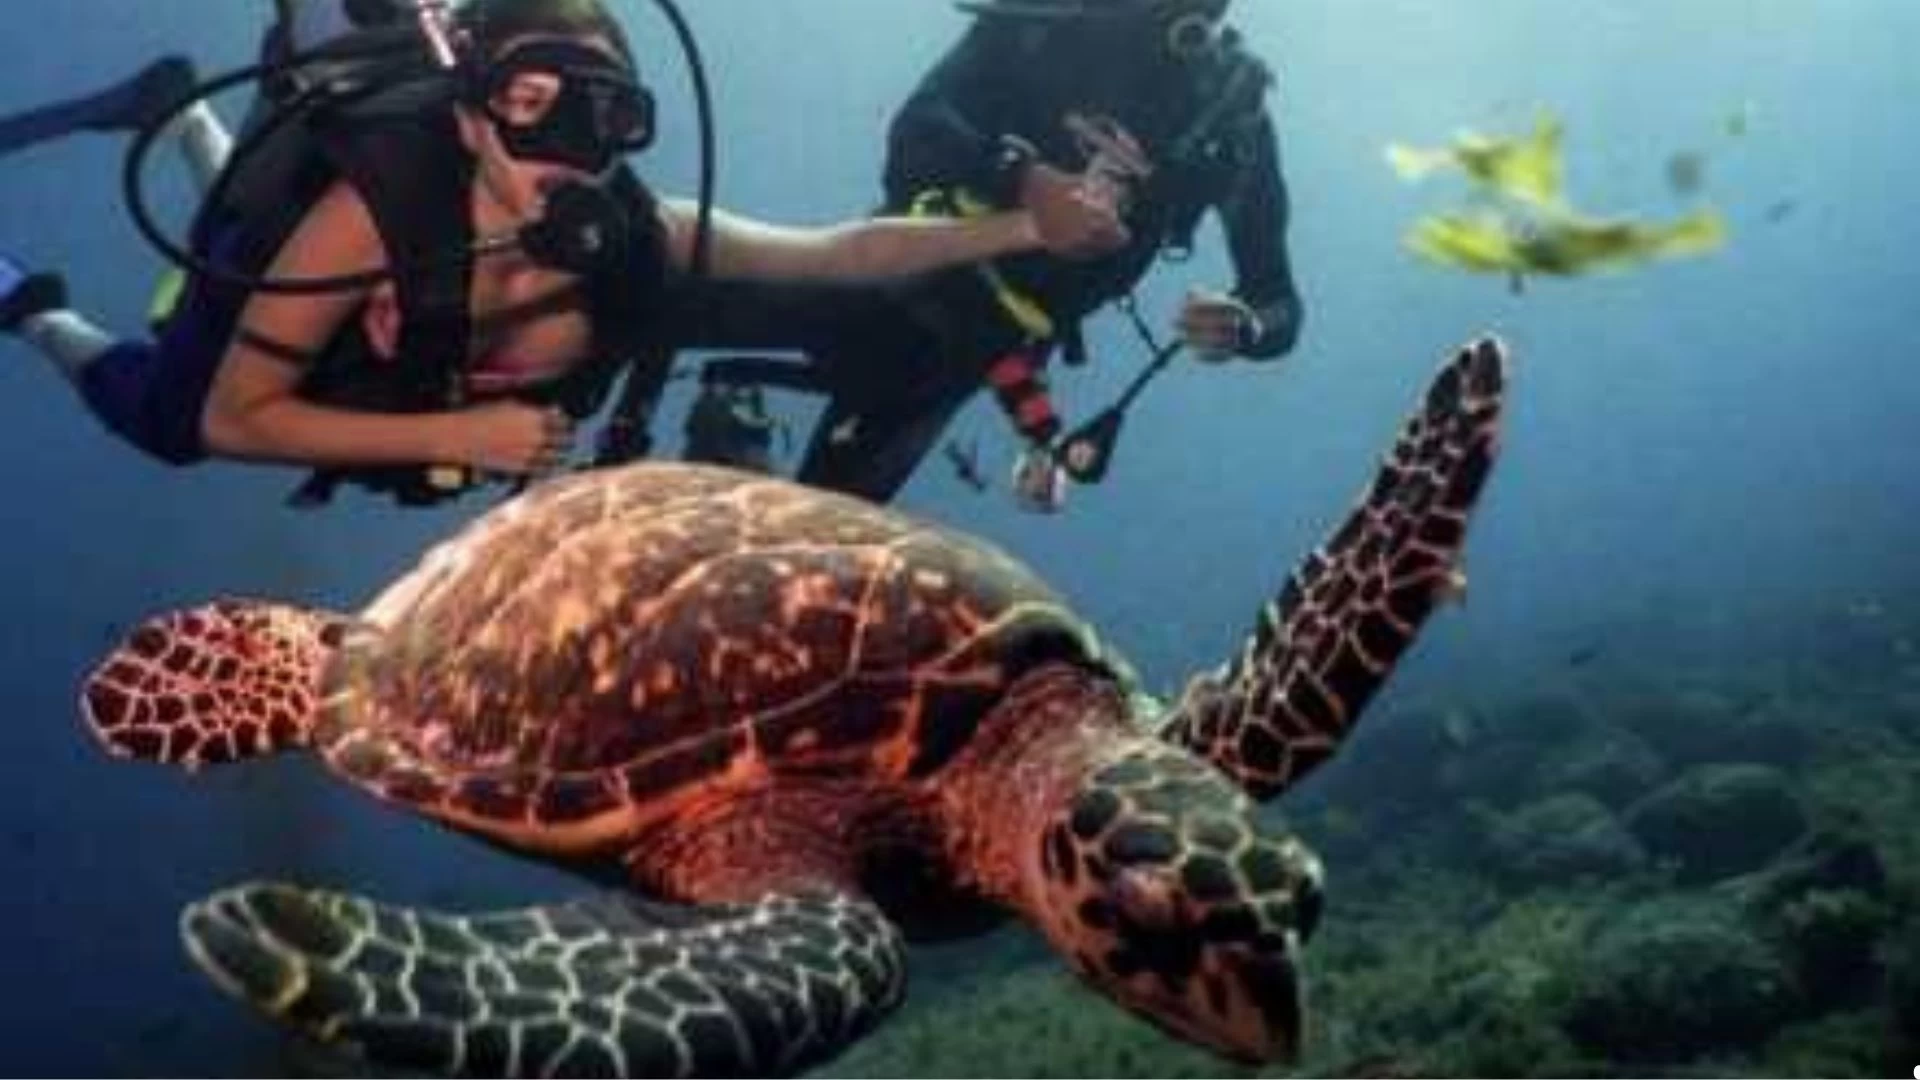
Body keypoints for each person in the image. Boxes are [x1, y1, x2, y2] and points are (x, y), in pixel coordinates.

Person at [0, 0, 1124, 507]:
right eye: (531, 106)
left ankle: (187, 118)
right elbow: (233, 421)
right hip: (296, 295)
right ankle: (29, 304)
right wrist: (454, 436)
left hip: (382, 352)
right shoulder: (376, 206)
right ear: (470, 115)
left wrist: (1027, 227)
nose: (565, 154)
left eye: (604, 117)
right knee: (166, 425)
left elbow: (842, 254)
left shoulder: (637, 236)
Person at [651, 0, 1306, 511]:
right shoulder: (1043, 23)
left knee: (812, 550)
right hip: (892, 266)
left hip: (973, 350)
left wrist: (1245, 326)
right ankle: (711, 443)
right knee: (641, 293)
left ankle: (732, 450)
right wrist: (1023, 180)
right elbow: (917, 130)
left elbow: (1277, 303)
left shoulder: (1231, 124)